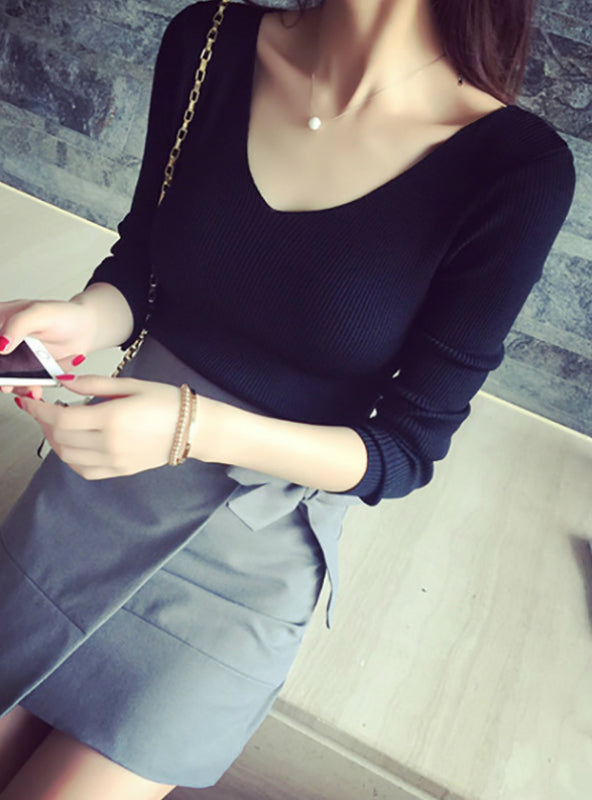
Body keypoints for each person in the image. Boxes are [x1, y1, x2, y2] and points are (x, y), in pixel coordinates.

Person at [0, 0, 576, 797]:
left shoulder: (515, 170)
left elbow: (404, 450)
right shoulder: (209, 40)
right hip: (95, 497)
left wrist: (193, 427)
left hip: (253, 555)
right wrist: (80, 318)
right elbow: (144, 263)